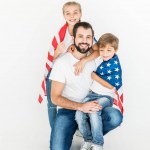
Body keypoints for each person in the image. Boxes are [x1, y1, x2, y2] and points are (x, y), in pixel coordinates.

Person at [50, 22, 123, 150]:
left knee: (115, 117)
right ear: (73, 39)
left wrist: (84, 60)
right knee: (57, 148)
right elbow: (55, 98)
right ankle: (81, 129)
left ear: (92, 40)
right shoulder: (62, 63)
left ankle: (89, 137)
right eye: (80, 37)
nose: (84, 41)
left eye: (88, 37)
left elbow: (104, 53)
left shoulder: (97, 58)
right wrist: (81, 106)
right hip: (68, 110)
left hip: (92, 104)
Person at [38, 1, 98, 129]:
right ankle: (55, 132)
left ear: (80, 13)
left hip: (76, 72)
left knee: (80, 99)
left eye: (75, 12)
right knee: (52, 103)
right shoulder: (60, 35)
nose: (72, 16)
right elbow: (50, 61)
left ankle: (80, 127)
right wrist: (58, 52)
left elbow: (98, 51)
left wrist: (83, 60)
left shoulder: (85, 31)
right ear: (64, 16)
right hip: (56, 72)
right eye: (68, 13)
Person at [76, 33, 123, 150]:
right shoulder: (98, 57)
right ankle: (88, 139)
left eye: (109, 50)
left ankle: (97, 144)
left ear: (115, 50)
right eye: (102, 50)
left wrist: (94, 76)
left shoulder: (114, 64)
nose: (105, 53)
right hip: (91, 94)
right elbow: (94, 46)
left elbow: (111, 86)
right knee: (79, 114)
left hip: (106, 96)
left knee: (94, 110)